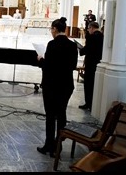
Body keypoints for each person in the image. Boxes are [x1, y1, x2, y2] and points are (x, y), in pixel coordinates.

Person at [36, 17, 78, 157]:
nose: (51, 32)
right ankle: (58, 146)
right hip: (66, 85)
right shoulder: (72, 46)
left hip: (52, 85)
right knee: (61, 114)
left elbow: (48, 67)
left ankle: (49, 145)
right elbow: (72, 66)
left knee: (50, 116)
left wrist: (41, 59)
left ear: (54, 29)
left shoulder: (52, 44)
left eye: (51, 29)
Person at [78, 21, 104, 111]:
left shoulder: (91, 37)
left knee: (88, 84)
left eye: (88, 29)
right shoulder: (102, 36)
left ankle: (88, 103)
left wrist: (80, 49)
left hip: (91, 64)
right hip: (98, 63)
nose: (88, 30)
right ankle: (92, 104)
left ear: (91, 28)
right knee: (94, 84)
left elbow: (87, 49)